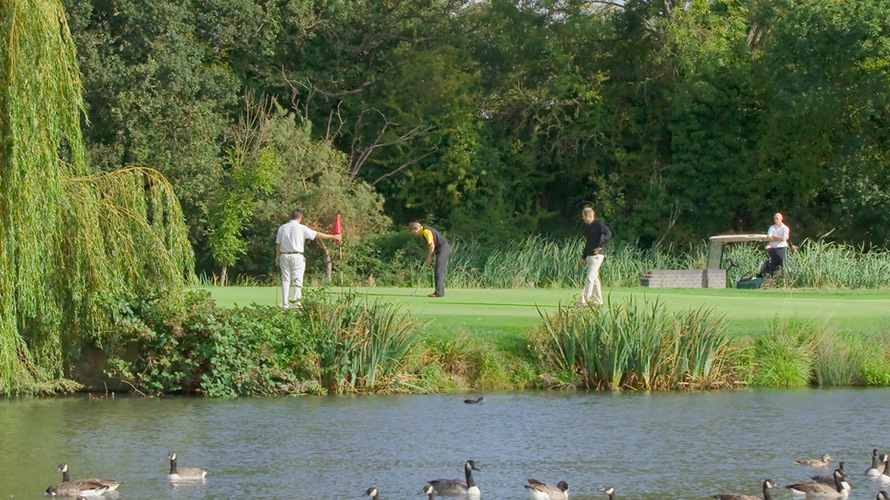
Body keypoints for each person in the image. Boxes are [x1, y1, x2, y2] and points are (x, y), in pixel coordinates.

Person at [275, 209, 341, 309]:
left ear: (291, 217)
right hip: (297, 256)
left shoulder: (282, 228)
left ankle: (285, 305)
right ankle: (297, 305)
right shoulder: (301, 228)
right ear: (300, 218)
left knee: (285, 280)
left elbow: (278, 244)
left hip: (284, 255)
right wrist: (333, 236)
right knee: (297, 281)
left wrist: (277, 256)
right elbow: (317, 235)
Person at [578, 206, 612, 307]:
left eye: (583, 216)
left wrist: (600, 246)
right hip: (590, 256)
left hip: (597, 256)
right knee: (595, 279)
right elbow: (588, 244)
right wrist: (583, 257)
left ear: (588, 216)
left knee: (590, 278)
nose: (583, 218)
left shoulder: (598, 224)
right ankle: (598, 301)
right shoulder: (589, 227)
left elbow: (608, 234)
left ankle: (584, 301)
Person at [409, 221, 451, 297]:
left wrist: (429, 257)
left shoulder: (426, 231)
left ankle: (439, 293)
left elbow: (432, 245)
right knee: (438, 269)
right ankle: (439, 292)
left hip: (443, 248)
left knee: (438, 269)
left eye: (414, 232)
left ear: (417, 228)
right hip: (441, 249)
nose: (415, 234)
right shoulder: (424, 231)